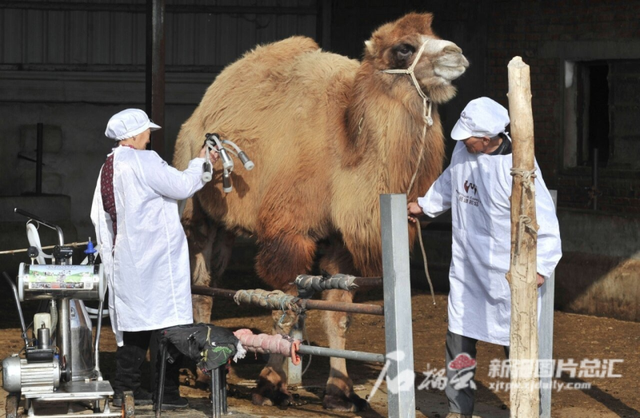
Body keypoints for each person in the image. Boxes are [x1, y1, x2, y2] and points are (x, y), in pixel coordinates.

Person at [407, 97, 562, 418]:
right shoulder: (465, 153)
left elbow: (545, 220)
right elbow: (450, 182)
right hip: (468, 268)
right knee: (459, 339)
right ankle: (457, 409)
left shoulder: (519, 166)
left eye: (470, 137)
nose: (463, 141)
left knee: (517, 344)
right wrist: (425, 205)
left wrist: (541, 268)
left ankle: (527, 410)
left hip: (509, 273)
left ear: (490, 137)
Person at [90, 108, 219, 408]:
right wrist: (201, 161)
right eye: (146, 131)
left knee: (135, 325)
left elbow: (99, 217)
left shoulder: (108, 167)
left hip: (127, 258)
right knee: (169, 324)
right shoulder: (143, 160)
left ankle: (126, 390)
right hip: (158, 259)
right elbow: (182, 185)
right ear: (134, 135)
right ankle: (168, 393)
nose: (150, 136)